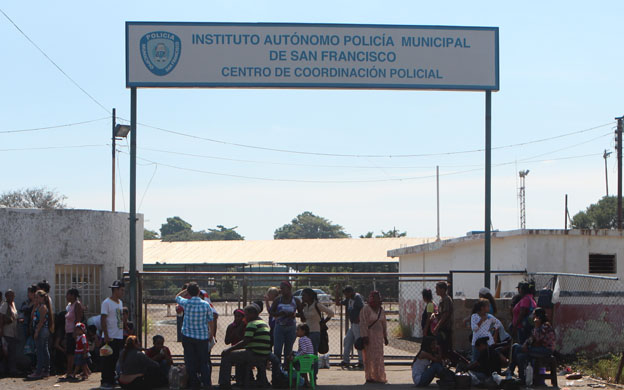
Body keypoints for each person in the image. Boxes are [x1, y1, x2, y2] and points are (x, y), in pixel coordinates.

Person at [218, 304, 280, 390]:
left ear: (253, 314)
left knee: (226, 356)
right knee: (238, 355)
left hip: (255, 353)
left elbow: (245, 341)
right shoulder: (263, 323)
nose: (245, 317)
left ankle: (224, 384)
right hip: (264, 354)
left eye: (246, 315)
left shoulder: (252, 324)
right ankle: (241, 382)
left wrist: (229, 349)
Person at [176, 282, 214, 390]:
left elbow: (177, 297)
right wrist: (210, 332)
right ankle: (206, 383)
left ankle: (194, 383)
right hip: (202, 336)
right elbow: (210, 319)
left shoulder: (186, 303)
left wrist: (186, 290)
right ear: (199, 292)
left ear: (189, 292)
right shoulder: (205, 304)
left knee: (190, 361)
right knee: (204, 361)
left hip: (187, 335)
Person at [508, 308, 555, 383]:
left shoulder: (545, 326)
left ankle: (513, 373)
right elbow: (531, 338)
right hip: (537, 348)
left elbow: (538, 338)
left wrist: (536, 326)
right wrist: (525, 344)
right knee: (519, 353)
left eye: (534, 315)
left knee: (516, 348)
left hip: (545, 350)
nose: (532, 316)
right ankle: (517, 374)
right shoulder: (538, 326)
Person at [300, 288, 333, 381]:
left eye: (304, 295)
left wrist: (323, 322)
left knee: (313, 355)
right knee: (305, 354)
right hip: (306, 333)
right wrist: (301, 309)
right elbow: (303, 320)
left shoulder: (317, 305)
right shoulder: (305, 306)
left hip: (315, 332)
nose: (302, 297)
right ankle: (306, 377)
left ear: (310, 296)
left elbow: (331, 313)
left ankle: (313, 377)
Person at [100, 280, 125, 390]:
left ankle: (111, 378)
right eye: (121, 290)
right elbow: (103, 319)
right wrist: (106, 335)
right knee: (107, 360)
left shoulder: (120, 302)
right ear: (115, 290)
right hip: (109, 336)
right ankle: (105, 380)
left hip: (118, 335)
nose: (122, 292)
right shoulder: (106, 303)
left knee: (114, 359)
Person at [359, 290, 388, 384]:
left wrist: (385, 337)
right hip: (369, 336)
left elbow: (384, 324)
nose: (377, 298)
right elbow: (363, 323)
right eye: (375, 297)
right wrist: (364, 336)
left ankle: (379, 376)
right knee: (369, 356)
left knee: (378, 356)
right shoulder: (366, 309)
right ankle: (369, 376)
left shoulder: (381, 310)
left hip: (378, 337)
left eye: (378, 296)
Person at [269, 281, 301, 364]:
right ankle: (277, 371)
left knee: (288, 350)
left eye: (283, 288)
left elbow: (302, 314)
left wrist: (294, 315)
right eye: (281, 288)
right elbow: (271, 312)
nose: (281, 290)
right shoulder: (278, 300)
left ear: (289, 289)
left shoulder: (296, 300)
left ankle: (287, 370)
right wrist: (280, 314)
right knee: (277, 350)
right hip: (279, 327)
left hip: (291, 328)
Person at [27, 289, 54, 379]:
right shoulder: (38, 306)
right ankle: (45, 370)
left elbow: (41, 321)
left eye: (37, 297)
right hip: (41, 330)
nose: (36, 299)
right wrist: (35, 306)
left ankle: (39, 371)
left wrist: (37, 331)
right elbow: (32, 316)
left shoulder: (43, 307)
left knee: (40, 351)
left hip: (42, 330)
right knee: (44, 350)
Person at [470, 299, 504, 363]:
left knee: (488, 359)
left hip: (488, 341)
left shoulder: (489, 317)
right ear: (482, 308)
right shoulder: (474, 316)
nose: (489, 308)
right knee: (476, 359)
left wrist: (495, 332)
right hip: (477, 342)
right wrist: (481, 320)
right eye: (488, 306)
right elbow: (474, 328)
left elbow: (498, 323)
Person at [339, 285, 365, 368]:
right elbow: (338, 303)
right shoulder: (349, 299)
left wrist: (359, 318)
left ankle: (361, 361)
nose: (346, 296)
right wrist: (336, 293)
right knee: (347, 340)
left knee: (358, 341)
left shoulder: (357, 297)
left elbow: (363, 308)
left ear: (351, 292)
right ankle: (346, 360)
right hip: (353, 324)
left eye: (347, 294)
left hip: (358, 323)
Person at [61, 288, 84, 381]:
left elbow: (78, 319)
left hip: (73, 332)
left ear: (73, 295)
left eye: (68, 294)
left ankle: (70, 372)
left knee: (71, 353)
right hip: (68, 332)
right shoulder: (70, 306)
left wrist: (75, 332)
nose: (66, 296)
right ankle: (70, 371)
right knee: (69, 352)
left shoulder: (77, 305)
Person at [432, 281, 453, 359]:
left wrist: (437, 327)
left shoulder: (447, 299)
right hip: (442, 327)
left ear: (443, 289)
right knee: (439, 345)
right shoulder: (441, 300)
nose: (436, 291)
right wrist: (435, 315)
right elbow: (441, 313)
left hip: (445, 328)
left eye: (437, 289)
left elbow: (445, 314)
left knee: (443, 347)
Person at [0, 289, 18, 377]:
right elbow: (1, 317)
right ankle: (8, 370)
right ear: (6, 297)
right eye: (10, 295)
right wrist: (1, 331)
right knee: (7, 352)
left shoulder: (13, 304)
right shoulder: (5, 305)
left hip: (13, 331)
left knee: (11, 352)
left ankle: (10, 369)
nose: (12, 297)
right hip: (7, 332)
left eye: (13, 295)